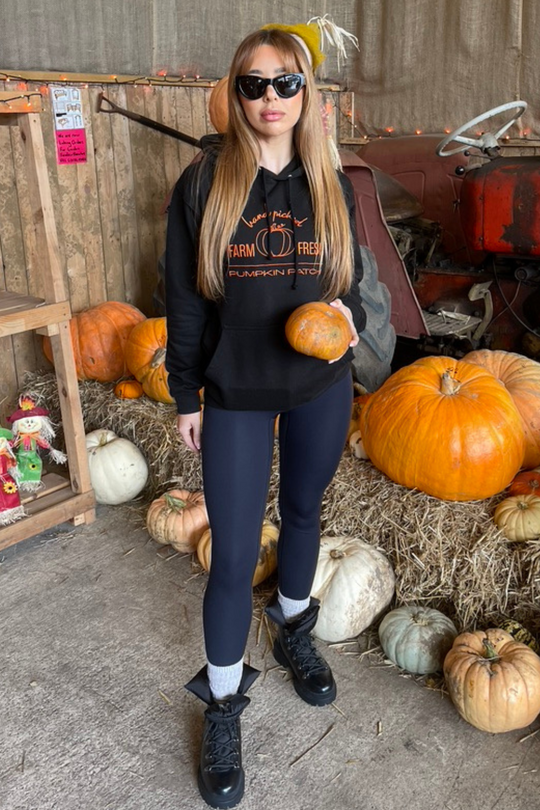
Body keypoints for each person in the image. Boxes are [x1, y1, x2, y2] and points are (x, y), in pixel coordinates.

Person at [165, 24, 366, 809]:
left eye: (287, 82)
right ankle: (222, 703)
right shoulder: (205, 182)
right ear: (236, 93)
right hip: (236, 392)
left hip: (319, 382)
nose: (271, 97)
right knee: (232, 553)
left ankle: (292, 626)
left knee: (307, 509)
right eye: (255, 83)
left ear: (305, 92)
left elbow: (350, 278)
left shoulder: (331, 180)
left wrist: (348, 316)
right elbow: (182, 298)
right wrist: (186, 392)